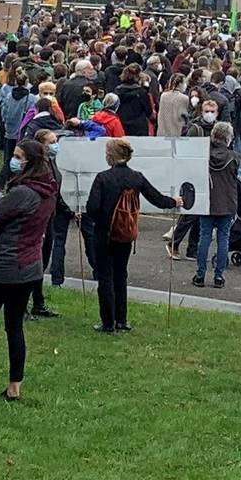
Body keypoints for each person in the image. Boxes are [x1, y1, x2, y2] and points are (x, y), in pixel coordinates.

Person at [0, 137, 57, 401]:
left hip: (6, 264)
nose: (12, 161)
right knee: (14, 326)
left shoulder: (22, 193)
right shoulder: (48, 189)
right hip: (30, 265)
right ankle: (15, 384)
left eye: (17, 156)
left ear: (29, 162)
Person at [84, 138, 181, 334]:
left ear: (110, 156)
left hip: (104, 234)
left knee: (105, 277)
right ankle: (122, 320)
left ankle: (107, 322)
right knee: (121, 275)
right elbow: (156, 198)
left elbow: (92, 207)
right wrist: (174, 201)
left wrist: (94, 217)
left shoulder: (103, 178)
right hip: (125, 233)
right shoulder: (136, 177)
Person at [194, 120, 241, 288]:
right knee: (223, 239)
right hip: (227, 201)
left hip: (207, 200)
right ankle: (219, 276)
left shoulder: (203, 155)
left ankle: (200, 274)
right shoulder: (234, 157)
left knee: (204, 237)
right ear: (228, 138)